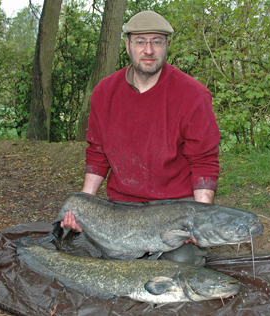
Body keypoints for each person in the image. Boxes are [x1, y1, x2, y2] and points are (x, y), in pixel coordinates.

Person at [61, 11, 220, 265]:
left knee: (179, 263)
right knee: (101, 256)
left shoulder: (193, 95)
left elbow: (204, 161)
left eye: (157, 41)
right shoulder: (104, 92)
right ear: (127, 45)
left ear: (167, 45)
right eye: (140, 41)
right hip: (123, 207)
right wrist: (84, 206)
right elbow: (97, 153)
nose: (149, 49)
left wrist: (201, 220)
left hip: (175, 206)